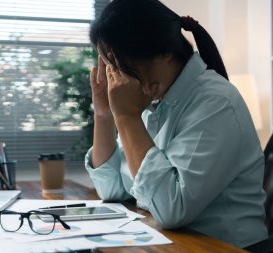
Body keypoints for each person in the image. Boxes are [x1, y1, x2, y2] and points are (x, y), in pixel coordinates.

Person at [85, 0, 268, 249]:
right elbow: (111, 188)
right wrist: (105, 113)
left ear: (164, 53)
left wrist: (126, 118)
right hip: (173, 243)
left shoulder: (215, 102)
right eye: (112, 68)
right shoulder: (150, 101)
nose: (118, 79)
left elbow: (171, 208)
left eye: (122, 66)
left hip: (225, 247)